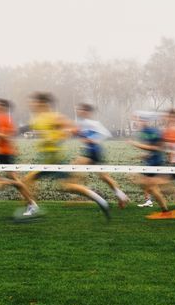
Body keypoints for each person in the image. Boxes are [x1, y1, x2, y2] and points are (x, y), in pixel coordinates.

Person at [22, 92, 111, 220]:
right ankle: (100, 200)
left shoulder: (54, 117)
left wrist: (57, 136)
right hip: (45, 158)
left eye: (33, 102)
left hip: (55, 158)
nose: (31, 104)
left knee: (31, 181)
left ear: (42, 103)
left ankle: (33, 207)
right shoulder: (36, 119)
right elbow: (41, 133)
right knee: (33, 182)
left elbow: (73, 129)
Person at [128, 112, 175, 220]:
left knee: (136, 180)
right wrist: (142, 156)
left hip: (156, 164)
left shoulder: (153, 132)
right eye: (137, 120)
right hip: (150, 163)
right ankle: (165, 209)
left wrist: (136, 145)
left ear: (145, 121)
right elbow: (152, 149)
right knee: (152, 188)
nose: (137, 122)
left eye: (140, 120)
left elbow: (156, 148)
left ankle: (169, 189)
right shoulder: (143, 132)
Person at [72, 103, 129, 208]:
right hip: (89, 151)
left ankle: (82, 194)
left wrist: (93, 140)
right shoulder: (80, 122)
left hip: (95, 151)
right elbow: (79, 134)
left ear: (86, 112)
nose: (79, 111)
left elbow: (106, 133)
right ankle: (122, 196)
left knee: (77, 167)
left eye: (81, 110)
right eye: (78, 109)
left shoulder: (93, 123)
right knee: (103, 177)